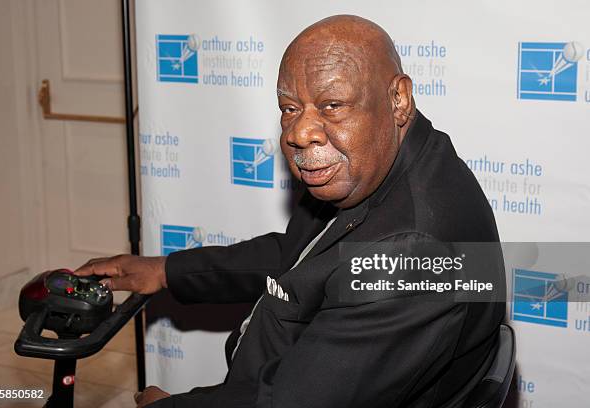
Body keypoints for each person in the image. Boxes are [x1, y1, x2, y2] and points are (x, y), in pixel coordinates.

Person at [75, 15, 505, 408]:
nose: (298, 133)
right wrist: (169, 270)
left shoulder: (410, 255)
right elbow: (297, 256)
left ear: (398, 98)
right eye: (289, 108)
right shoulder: (389, 164)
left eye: (333, 106)